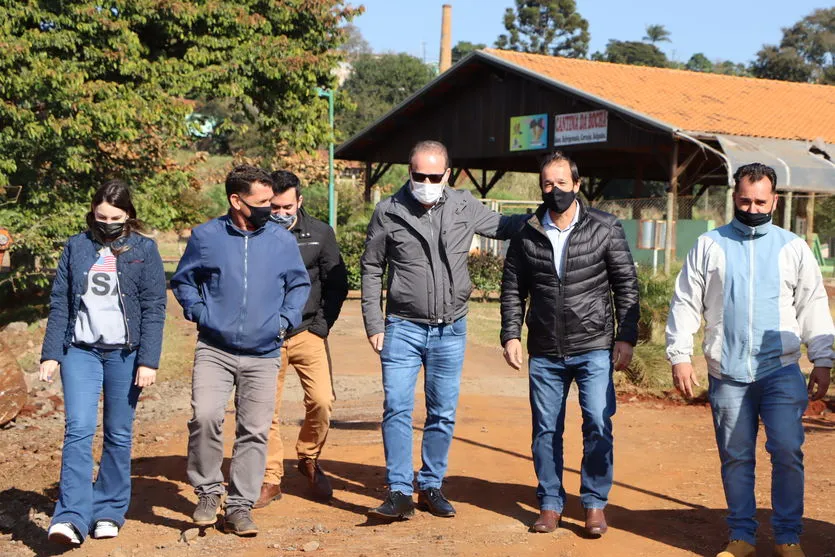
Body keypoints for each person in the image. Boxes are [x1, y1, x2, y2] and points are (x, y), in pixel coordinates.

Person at [666, 163, 834, 557]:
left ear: (774, 200)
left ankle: (788, 537)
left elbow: (813, 304)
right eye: (746, 200)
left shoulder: (792, 247)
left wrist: (822, 359)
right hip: (728, 373)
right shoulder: (710, 245)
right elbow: (686, 302)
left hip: (781, 370)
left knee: (788, 451)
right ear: (734, 198)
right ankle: (741, 536)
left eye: (761, 201)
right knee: (736, 457)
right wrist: (680, 355)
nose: (753, 208)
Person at [361, 139, 529, 520]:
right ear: (409, 172)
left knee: (442, 412)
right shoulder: (388, 211)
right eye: (419, 175)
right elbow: (371, 267)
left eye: (433, 176)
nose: (425, 181)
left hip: (450, 330)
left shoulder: (465, 205)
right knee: (397, 407)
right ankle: (400, 491)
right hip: (402, 326)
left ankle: (431, 485)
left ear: (447, 175)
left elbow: (504, 226)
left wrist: (547, 213)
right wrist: (374, 321)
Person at [500, 151, 639, 537]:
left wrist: (626, 337)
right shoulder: (526, 232)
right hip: (544, 349)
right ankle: (549, 503)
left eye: (562, 183)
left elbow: (626, 285)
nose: (555, 190)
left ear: (576, 185)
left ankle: (594, 504)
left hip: (593, 345)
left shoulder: (605, 228)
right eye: (548, 184)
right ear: (541, 187)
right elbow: (513, 289)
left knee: (597, 421)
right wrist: (511, 333)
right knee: (545, 429)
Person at [171, 165, 310, 537]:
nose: (271, 208)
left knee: (254, 430)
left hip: (264, 352)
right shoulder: (206, 237)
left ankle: (240, 506)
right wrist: (201, 313)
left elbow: (299, 284)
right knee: (205, 417)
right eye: (262, 201)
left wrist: (284, 320)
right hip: (214, 349)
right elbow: (184, 281)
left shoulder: (281, 241)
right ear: (237, 200)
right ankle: (208, 492)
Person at [40, 180, 167, 546]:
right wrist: (51, 353)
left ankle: (109, 510)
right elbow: (61, 303)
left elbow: (154, 308)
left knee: (118, 433)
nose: (107, 222)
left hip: (125, 354)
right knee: (78, 429)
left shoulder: (145, 249)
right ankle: (71, 517)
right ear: (92, 212)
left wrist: (148, 360)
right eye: (101, 216)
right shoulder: (76, 247)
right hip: (81, 350)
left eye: (115, 216)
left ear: (128, 215)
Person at [254, 170, 348, 508]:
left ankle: (308, 457)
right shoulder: (255, 230)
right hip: (266, 337)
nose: (280, 214)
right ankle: (270, 477)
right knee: (266, 409)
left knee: (322, 401)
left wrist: (320, 326)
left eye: (286, 207)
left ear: (300, 202)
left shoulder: (320, 233)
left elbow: (337, 284)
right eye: (273, 207)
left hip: (308, 331)